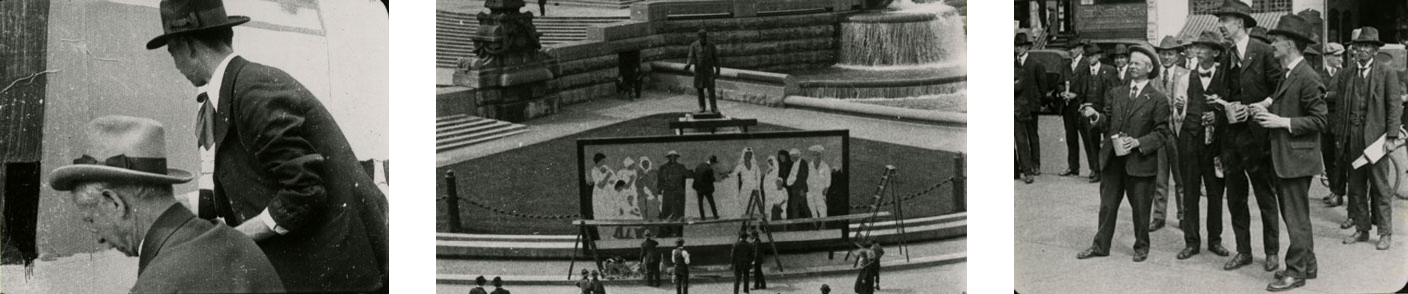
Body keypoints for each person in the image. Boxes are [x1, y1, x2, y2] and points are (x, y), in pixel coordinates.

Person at [147, 0, 389, 291]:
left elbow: (304, 193)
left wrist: (232, 239)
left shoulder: (252, 91)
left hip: (336, 277)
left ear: (188, 46)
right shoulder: (239, 88)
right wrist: (176, 204)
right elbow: (246, 190)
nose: (176, 66)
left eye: (173, 54)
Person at [48, 116, 285, 293]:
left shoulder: (158, 285)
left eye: (91, 220)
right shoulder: (238, 243)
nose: (98, 238)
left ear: (114, 203)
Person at [1076, 45, 1171, 263]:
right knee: (1107, 206)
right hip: (1113, 160)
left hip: (1139, 161)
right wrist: (1095, 117)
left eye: (1137, 63)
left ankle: (1141, 246)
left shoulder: (1158, 99)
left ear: (1149, 68)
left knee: (1140, 208)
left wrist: (1138, 142)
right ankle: (1100, 246)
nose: (1132, 66)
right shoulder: (1116, 92)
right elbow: (1107, 121)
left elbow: (1162, 133)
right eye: (1131, 62)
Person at [1210, 0, 1285, 272]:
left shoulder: (1264, 51)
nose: (1220, 26)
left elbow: (1281, 89)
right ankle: (1244, 251)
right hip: (1231, 138)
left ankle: (1272, 252)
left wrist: (1260, 106)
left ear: (1239, 22)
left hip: (1258, 138)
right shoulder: (1227, 56)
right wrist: (1224, 105)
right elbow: (1222, 94)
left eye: (1224, 21)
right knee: (1236, 198)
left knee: (1265, 195)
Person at [1256, 15, 1327, 291]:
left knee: (1295, 218)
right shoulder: (1290, 73)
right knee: (1297, 216)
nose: (1272, 45)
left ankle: (1295, 272)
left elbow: (1321, 121)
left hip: (1296, 159)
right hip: (1290, 157)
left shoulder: (1307, 77)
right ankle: (1308, 265)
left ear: (1290, 44)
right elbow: (1284, 103)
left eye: (1276, 41)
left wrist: (1281, 122)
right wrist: (1265, 108)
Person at [1328, 26, 1399, 250]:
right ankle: (1362, 229)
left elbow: (1394, 105)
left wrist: (1391, 136)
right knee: (1356, 187)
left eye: (1366, 47)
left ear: (1375, 51)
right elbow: (1340, 108)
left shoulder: (1386, 72)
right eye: (1358, 47)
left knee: (1380, 187)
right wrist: (1340, 137)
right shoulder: (1347, 73)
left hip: (1376, 139)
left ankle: (1385, 232)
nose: (1361, 51)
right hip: (1352, 138)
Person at [1177, 30, 1233, 260]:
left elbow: (1231, 107)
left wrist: (1216, 116)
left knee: (1215, 192)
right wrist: (1180, 110)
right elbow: (1178, 112)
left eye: (1204, 48)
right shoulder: (1185, 78)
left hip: (1215, 144)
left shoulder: (1225, 77)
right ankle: (1191, 242)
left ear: (1216, 52)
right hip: (1190, 139)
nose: (1198, 51)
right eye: (1196, 47)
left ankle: (1215, 240)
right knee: (1190, 191)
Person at [1152, 35, 1192, 231]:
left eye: (1170, 54)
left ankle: (1184, 214)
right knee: (1159, 177)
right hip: (1159, 133)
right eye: (1163, 53)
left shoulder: (1186, 75)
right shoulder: (1153, 76)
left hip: (1178, 132)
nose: (1166, 57)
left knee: (1180, 177)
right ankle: (1158, 216)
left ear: (1177, 55)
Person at [1075, 42, 1121, 183]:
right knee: (1091, 143)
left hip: (1105, 113)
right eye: (1087, 56)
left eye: (1092, 56)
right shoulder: (1083, 71)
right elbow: (1079, 91)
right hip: (1089, 113)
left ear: (1098, 56)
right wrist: (1082, 105)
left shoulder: (1109, 70)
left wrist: (1110, 110)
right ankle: (1095, 170)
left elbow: (1115, 91)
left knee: (1107, 142)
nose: (1090, 58)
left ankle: (1107, 170)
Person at [1056, 39, 1091, 179]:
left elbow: (1089, 85)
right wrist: (1062, 92)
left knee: (1088, 138)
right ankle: (1073, 167)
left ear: (1081, 49)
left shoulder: (1086, 64)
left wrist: (1076, 94)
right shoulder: (1065, 65)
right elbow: (1059, 83)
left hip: (1081, 106)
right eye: (1069, 48)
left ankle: (1094, 168)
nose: (1072, 51)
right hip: (1067, 107)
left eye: (1074, 48)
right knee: (1071, 138)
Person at [1321, 42, 1348, 208]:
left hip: (1339, 123)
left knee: (1340, 159)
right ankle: (1333, 190)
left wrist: (1326, 95)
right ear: (1327, 57)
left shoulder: (1345, 74)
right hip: (1324, 123)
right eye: (1337, 56)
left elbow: (1344, 95)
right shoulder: (1319, 75)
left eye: (1341, 55)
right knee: (1328, 157)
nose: (1340, 59)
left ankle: (1339, 193)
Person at [1015, 32, 1044, 184]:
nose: (1018, 49)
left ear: (1027, 47)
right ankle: (1024, 166)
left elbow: (1042, 86)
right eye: (1016, 46)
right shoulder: (1013, 63)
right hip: (1017, 106)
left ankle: (1035, 164)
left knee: (1032, 135)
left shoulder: (1035, 63)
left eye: (1021, 46)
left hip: (1031, 105)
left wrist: (1038, 102)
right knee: (1021, 138)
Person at [684, 29, 721, 113]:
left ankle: (714, 107)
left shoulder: (711, 45)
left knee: (711, 90)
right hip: (699, 71)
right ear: (699, 38)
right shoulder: (694, 45)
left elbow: (716, 59)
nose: (704, 39)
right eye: (702, 38)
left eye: (705, 38)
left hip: (709, 71)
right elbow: (690, 56)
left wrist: (717, 71)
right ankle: (702, 106)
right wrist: (688, 64)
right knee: (700, 90)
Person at [659, 151, 689, 237]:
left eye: (674, 157)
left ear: (676, 157)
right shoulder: (663, 168)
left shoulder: (681, 167)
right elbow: (660, 180)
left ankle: (676, 232)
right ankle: (666, 232)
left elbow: (688, 174)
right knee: (666, 213)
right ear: (668, 157)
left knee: (678, 213)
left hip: (678, 193)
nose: (672, 158)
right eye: (670, 157)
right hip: (667, 193)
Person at [732, 148, 761, 215]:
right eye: (747, 154)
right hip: (745, 187)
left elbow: (758, 178)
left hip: (754, 187)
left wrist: (758, 187)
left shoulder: (755, 166)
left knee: (755, 206)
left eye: (750, 154)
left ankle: (755, 223)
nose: (748, 156)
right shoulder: (740, 166)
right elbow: (734, 174)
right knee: (744, 204)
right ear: (744, 155)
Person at [805, 145, 831, 219]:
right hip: (810, 190)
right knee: (812, 207)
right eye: (814, 154)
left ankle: (823, 225)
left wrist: (826, 188)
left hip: (820, 190)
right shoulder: (809, 166)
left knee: (822, 208)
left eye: (817, 154)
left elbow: (828, 178)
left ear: (820, 155)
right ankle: (815, 225)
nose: (816, 156)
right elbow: (806, 178)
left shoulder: (825, 166)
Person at [786, 149, 812, 219]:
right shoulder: (794, 164)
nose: (790, 158)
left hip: (801, 189)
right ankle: (795, 227)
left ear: (796, 155)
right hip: (795, 190)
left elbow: (804, 176)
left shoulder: (803, 163)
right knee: (794, 207)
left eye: (792, 156)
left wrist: (802, 189)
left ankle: (813, 224)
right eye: (790, 156)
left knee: (804, 207)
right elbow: (792, 177)